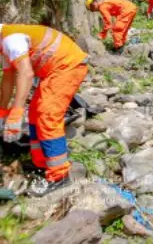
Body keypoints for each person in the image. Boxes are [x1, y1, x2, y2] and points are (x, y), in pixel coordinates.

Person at [0, 24, 88, 196]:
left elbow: (26, 74)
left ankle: (59, 176)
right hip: (54, 70)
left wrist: (16, 113)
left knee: (48, 115)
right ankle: (42, 163)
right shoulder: (4, 45)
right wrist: (3, 110)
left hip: (68, 66)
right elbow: (8, 79)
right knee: (34, 113)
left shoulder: (11, 40)